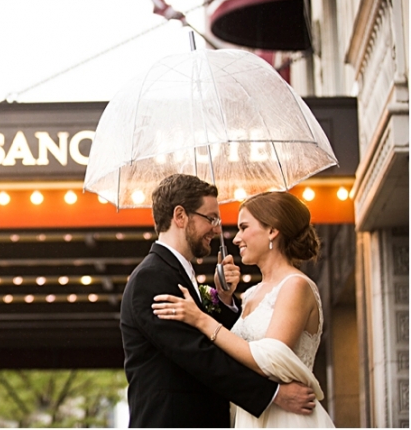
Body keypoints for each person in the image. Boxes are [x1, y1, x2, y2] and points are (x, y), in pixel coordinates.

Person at [120, 174, 316, 428]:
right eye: (210, 218)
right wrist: (272, 394)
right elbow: (198, 354)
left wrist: (223, 300)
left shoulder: (178, 274)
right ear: (180, 216)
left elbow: (239, 340)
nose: (217, 229)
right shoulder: (151, 278)